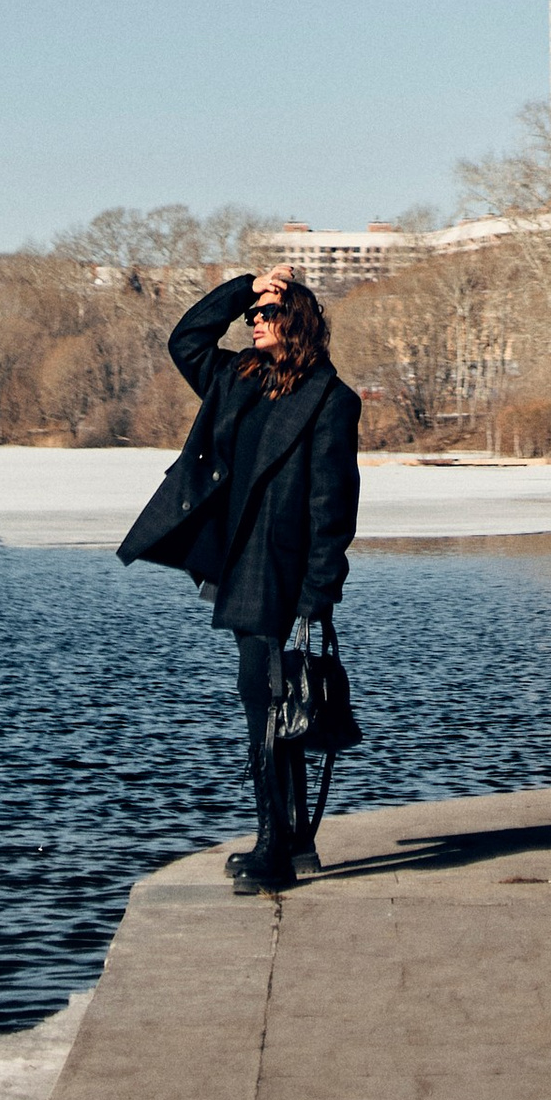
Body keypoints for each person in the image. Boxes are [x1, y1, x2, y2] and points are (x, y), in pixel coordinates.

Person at [118, 259, 362, 896]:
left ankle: (272, 849)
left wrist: (319, 591)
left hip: (286, 564)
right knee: (270, 700)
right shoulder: (236, 378)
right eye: (252, 315)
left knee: (267, 703)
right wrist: (245, 287)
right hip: (241, 558)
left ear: (297, 322)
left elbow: (333, 504)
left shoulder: (332, 402)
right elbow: (186, 340)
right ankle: (292, 840)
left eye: (267, 314)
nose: (254, 323)